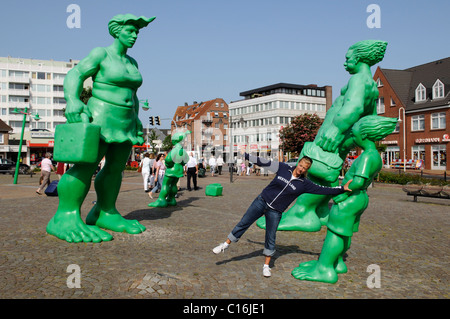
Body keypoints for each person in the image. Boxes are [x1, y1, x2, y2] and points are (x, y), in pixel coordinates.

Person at [46, 14, 155, 242]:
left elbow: (133, 94)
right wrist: (73, 100)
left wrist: (136, 117)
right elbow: (76, 74)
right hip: (101, 117)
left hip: (124, 121)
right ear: (117, 31)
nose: (134, 36)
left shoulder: (132, 62)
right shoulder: (101, 53)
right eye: (130, 31)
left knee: (115, 168)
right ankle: (64, 217)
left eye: (137, 32)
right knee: (85, 166)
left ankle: (105, 212)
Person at [212, 151, 353, 277]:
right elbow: (263, 162)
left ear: (307, 170)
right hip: (261, 201)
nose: (302, 169)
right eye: (301, 165)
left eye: (305, 168)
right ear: (298, 163)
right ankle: (225, 244)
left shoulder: (304, 184)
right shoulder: (283, 168)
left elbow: (323, 189)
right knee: (244, 222)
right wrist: (247, 156)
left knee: (271, 236)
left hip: (276, 211)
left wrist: (342, 188)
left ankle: (266, 266)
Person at [292, 115, 397, 283]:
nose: (352, 138)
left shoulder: (367, 156)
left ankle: (324, 268)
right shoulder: (376, 156)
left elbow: (358, 181)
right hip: (360, 199)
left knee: (335, 233)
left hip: (350, 198)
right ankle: (337, 261)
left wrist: (341, 193)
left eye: (354, 135)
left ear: (364, 135)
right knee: (346, 233)